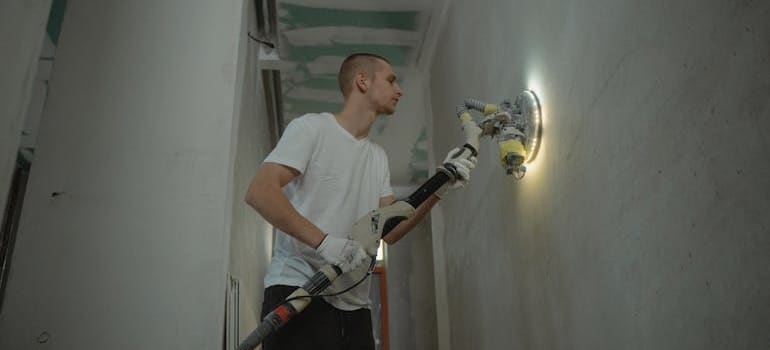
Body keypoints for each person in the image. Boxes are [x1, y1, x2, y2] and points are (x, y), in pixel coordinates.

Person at [245, 53, 476, 350]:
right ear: (363, 81)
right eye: (391, 80)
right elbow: (260, 191)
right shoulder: (312, 129)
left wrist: (440, 187)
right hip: (300, 291)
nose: (399, 90)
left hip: (355, 309)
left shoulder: (377, 157)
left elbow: (391, 230)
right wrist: (324, 242)